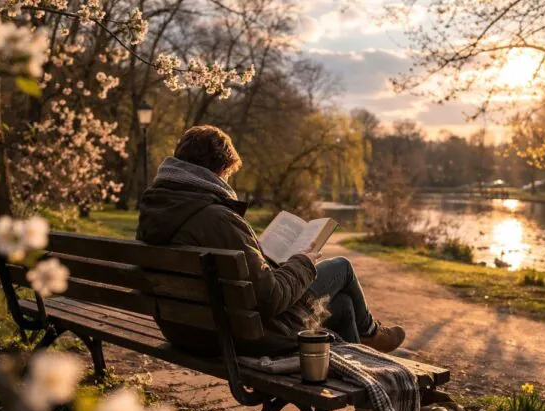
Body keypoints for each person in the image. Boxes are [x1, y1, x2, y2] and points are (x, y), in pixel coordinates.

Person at [136, 125, 405, 360]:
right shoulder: (217, 218)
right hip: (239, 336)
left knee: (343, 305)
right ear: (221, 170)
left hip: (185, 330)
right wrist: (302, 262)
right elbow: (269, 298)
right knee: (341, 268)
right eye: (228, 175)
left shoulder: (156, 211)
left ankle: (364, 380)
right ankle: (372, 334)